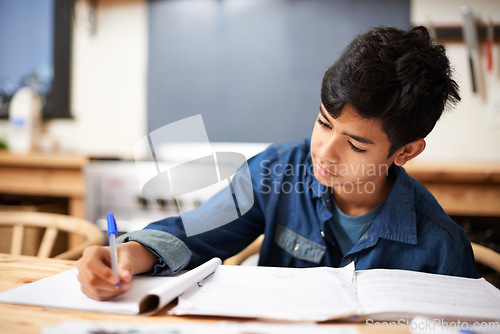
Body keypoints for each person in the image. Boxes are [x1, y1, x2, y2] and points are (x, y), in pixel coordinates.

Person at [77, 26, 477, 301]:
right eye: (324, 122)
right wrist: (129, 255)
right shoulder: (276, 171)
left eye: (355, 145)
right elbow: (196, 233)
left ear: (404, 152)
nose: (324, 151)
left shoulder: (441, 247)